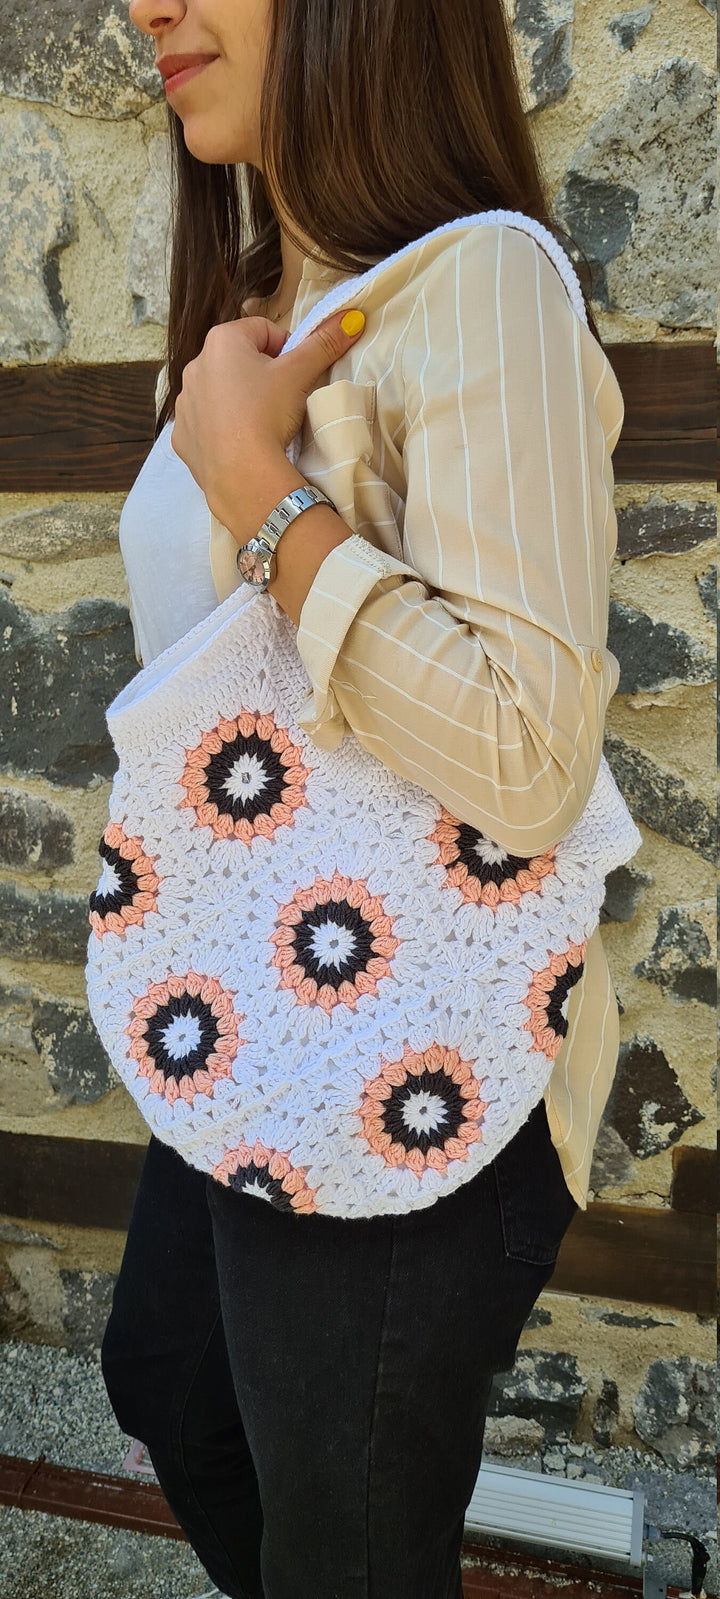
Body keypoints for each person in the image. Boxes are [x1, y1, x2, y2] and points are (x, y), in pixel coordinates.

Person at [100, 2, 626, 1595]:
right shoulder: (274, 302)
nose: (146, 7)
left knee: (353, 1550)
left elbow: (531, 763)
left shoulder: (486, 286)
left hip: (417, 1043)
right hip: (259, 998)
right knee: (171, 1387)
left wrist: (266, 494)